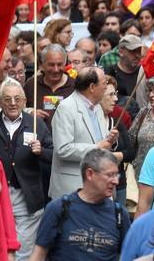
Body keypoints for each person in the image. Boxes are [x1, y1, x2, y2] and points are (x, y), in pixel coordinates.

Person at [0, 78, 53, 261]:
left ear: (24, 100)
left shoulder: (37, 124)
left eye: (17, 98)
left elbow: (53, 156)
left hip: (27, 193)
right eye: (7, 99)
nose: (13, 103)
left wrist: (41, 150)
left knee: (24, 242)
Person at [48, 67, 119, 200]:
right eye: (104, 83)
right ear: (92, 87)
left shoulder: (97, 107)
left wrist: (110, 140)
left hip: (98, 187)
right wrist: (97, 147)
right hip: (73, 190)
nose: (106, 87)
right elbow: (62, 149)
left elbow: (99, 141)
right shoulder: (66, 108)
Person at [100, 76, 135, 208]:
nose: (115, 99)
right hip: (98, 185)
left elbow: (131, 152)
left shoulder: (117, 123)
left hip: (119, 185)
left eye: (115, 94)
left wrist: (114, 156)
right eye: (110, 94)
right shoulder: (89, 123)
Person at [24, 43, 75, 127]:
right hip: (38, 138)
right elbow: (18, 111)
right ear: (42, 65)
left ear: (65, 64)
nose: (56, 70)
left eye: (59, 64)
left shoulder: (75, 86)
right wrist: (30, 113)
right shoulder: (31, 85)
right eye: (51, 65)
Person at [104, 35, 144, 118]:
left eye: (139, 51)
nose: (137, 55)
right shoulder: (109, 73)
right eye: (133, 51)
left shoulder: (144, 73)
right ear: (121, 52)